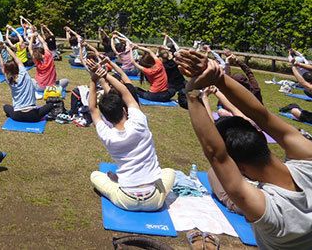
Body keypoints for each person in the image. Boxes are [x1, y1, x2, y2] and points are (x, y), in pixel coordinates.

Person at [175, 49, 312, 249]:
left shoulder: (268, 212)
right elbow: (262, 116)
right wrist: (218, 78)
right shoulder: (308, 159)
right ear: (261, 138)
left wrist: (193, 92)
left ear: (238, 168)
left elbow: (217, 156)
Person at [87, 60, 175, 212]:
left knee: (95, 175)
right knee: (169, 172)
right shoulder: (140, 122)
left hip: (125, 198)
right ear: (124, 110)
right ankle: (122, 181)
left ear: (106, 119)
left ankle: (118, 182)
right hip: (154, 199)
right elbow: (126, 92)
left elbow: (93, 109)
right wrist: (106, 75)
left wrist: (93, 80)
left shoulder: (106, 134)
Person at [0, 42, 53, 122]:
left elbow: (2, 66)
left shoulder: (9, 80)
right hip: (33, 116)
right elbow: (15, 57)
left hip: (17, 115)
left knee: (6, 107)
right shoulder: (24, 73)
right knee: (50, 105)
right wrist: (6, 47)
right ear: (17, 67)